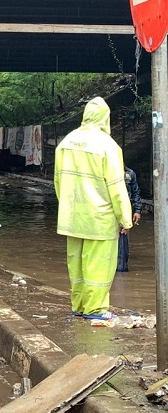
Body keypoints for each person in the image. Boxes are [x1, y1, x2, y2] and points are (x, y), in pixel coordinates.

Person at [54, 97, 132, 320]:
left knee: (76, 265)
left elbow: (58, 182)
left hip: (71, 217)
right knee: (98, 265)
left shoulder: (66, 142)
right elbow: (117, 188)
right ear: (105, 118)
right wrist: (125, 219)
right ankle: (95, 309)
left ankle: (78, 305)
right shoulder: (108, 146)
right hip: (99, 218)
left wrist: (68, 207)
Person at [117, 166, 142, 272]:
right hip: (109, 210)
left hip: (125, 210)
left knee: (123, 240)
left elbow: (136, 193)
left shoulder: (130, 173)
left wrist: (137, 210)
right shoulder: (106, 171)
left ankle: (121, 268)